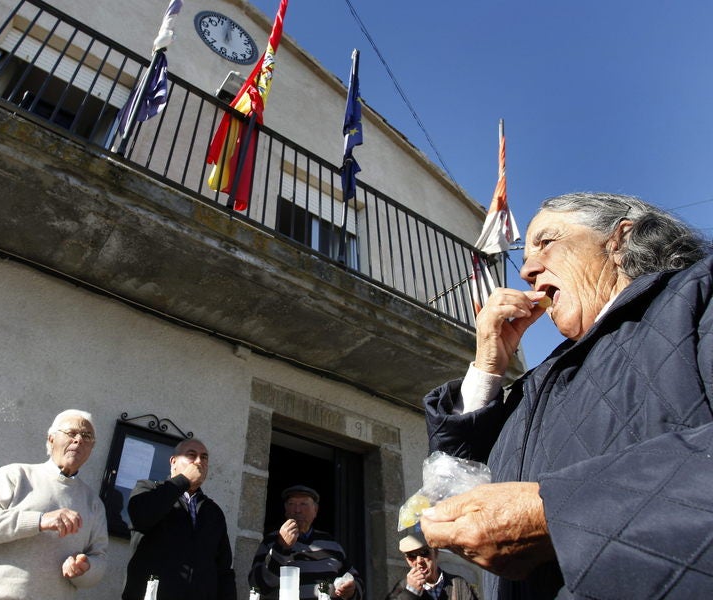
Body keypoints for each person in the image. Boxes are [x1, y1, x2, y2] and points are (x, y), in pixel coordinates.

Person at [419, 192, 713, 599]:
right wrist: (487, 368)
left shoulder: (698, 297)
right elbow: (451, 480)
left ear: (618, 240)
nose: (526, 270)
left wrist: (555, 512)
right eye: (526, 253)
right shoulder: (532, 385)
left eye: (546, 242)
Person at [0, 409, 108, 599]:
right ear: (51, 438)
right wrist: (39, 520)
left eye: (87, 436)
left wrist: (85, 569)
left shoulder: (93, 503)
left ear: (91, 448)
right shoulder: (16, 475)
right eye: (71, 433)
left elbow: (99, 561)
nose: (79, 440)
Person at [121, 437, 236, 600]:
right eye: (191, 455)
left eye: (204, 457)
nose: (199, 462)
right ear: (173, 462)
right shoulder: (147, 489)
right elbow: (141, 517)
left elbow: (224, 569)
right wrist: (183, 481)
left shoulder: (213, 511)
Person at [249, 484, 364, 599]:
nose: (297, 510)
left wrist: (351, 589)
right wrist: (281, 547)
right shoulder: (271, 541)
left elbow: (356, 581)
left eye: (303, 504)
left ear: (315, 510)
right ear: (286, 510)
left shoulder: (331, 544)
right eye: (291, 504)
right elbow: (257, 585)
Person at [384, 532, 478, 600]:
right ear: (407, 560)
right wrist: (411, 593)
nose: (419, 561)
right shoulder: (402, 587)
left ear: (436, 553)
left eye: (424, 553)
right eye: (412, 556)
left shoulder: (458, 585)